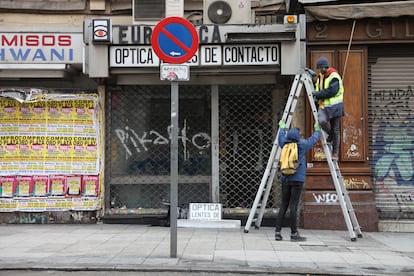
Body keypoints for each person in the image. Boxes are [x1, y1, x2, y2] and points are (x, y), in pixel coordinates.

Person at [275, 120, 320, 242]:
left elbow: (280, 136)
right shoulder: (302, 144)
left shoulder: (284, 143)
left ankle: (277, 232)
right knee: (293, 206)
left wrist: (282, 127)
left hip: (285, 178)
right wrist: (317, 129)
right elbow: (313, 139)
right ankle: (294, 234)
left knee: (284, 205)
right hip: (297, 179)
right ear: (298, 136)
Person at [312, 57, 344, 161]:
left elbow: (331, 91)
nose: (319, 70)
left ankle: (335, 153)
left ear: (325, 67)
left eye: (320, 68)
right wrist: (312, 79)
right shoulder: (321, 77)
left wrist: (318, 94)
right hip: (324, 106)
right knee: (321, 121)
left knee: (336, 129)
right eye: (318, 69)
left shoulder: (334, 76)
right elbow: (318, 88)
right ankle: (330, 135)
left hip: (335, 107)